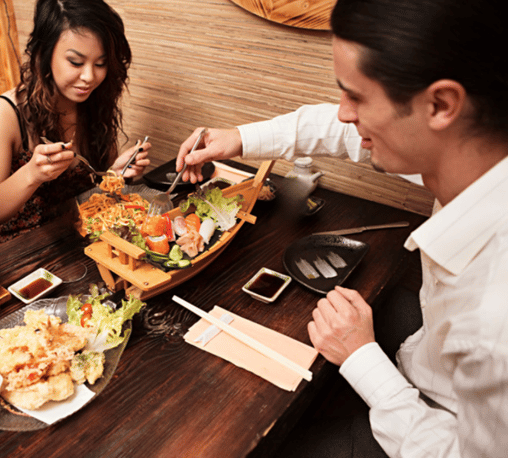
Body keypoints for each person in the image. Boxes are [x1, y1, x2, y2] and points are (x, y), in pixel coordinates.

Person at [176, 0, 508, 456]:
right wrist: (239, 138)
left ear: (440, 104)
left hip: (436, 423)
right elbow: (347, 133)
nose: (343, 114)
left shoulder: (494, 319)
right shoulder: (473, 149)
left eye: (356, 96)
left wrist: (362, 360)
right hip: (427, 353)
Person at [0, 0, 151, 248]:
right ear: (44, 54)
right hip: (18, 256)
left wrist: (115, 175)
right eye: (76, 62)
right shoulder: (4, 113)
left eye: (100, 64)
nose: (89, 77)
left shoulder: (93, 102)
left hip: (80, 244)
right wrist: (31, 174)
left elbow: (94, 195)